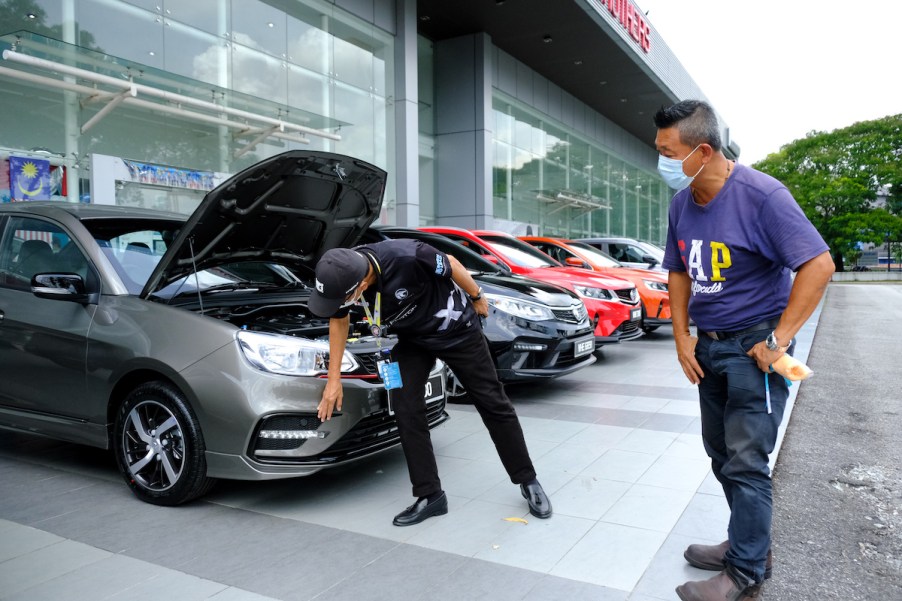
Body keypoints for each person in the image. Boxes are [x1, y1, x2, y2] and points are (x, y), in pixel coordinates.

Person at [653, 100, 834, 601]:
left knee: (747, 460)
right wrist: (681, 336)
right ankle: (747, 541)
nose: (662, 161)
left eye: (668, 151)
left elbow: (818, 264)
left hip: (753, 348)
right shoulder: (682, 201)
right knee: (720, 453)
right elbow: (678, 272)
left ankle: (746, 569)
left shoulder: (762, 196)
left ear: (703, 150)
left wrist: (778, 340)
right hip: (708, 349)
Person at [308, 239, 552, 526]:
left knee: (493, 403)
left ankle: (527, 479)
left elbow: (453, 264)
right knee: (405, 405)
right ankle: (431, 495)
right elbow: (338, 322)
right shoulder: (342, 276)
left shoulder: (409, 255)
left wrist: (476, 296)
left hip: (458, 331)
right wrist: (333, 380)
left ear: (361, 285)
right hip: (414, 340)